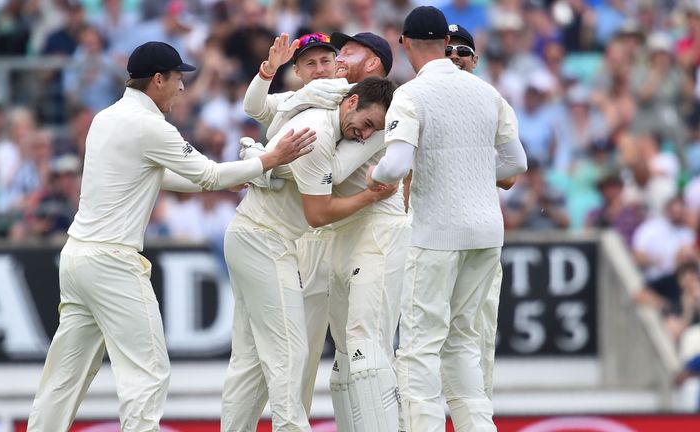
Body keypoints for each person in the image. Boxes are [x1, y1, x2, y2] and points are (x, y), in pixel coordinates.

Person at [26, 41, 316, 432]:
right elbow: (208, 173)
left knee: (63, 377)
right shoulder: (151, 127)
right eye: (178, 78)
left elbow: (165, 176)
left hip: (77, 259)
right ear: (158, 80)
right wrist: (269, 160)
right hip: (114, 263)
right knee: (148, 374)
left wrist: (236, 178)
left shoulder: (105, 118)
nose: (182, 88)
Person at [239, 30, 409, 431]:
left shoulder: (382, 112)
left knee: (365, 352)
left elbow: (328, 178)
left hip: (369, 230)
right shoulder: (328, 97)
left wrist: (259, 164)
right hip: (325, 236)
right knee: (317, 357)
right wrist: (279, 80)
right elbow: (258, 110)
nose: (337, 58)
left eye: (347, 51)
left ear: (372, 64)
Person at [367, 7, 527, 431]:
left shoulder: (411, 94)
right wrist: (472, 172)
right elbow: (516, 162)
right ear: (444, 43)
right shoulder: (487, 92)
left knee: (420, 345)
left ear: (404, 43)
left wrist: (374, 174)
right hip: (487, 234)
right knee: (462, 344)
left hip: (436, 232)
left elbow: (396, 164)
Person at [443, 22, 520, 403]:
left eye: (462, 51)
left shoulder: (490, 100)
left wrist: (464, 168)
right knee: (419, 341)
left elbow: (510, 175)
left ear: (475, 60)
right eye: (448, 50)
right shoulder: (416, 97)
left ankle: (476, 416)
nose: (455, 56)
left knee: (476, 335)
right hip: (428, 233)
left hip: (477, 234)